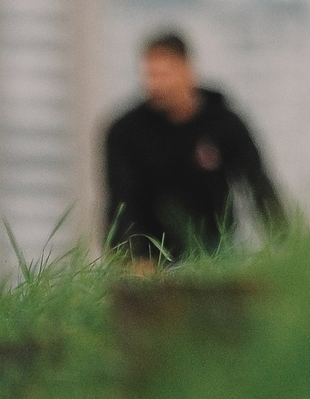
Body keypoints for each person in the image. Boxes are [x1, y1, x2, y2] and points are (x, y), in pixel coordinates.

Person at [102, 30, 286, 266]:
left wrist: (287, 245)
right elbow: (120, 205)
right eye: (149, 75)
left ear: (188, 70)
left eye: (164, 75)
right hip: (152, 258)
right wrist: (132, 259)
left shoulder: (224, 123)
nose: (154, 85)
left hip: (216, 250)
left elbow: (259, 186)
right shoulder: (125, 132)